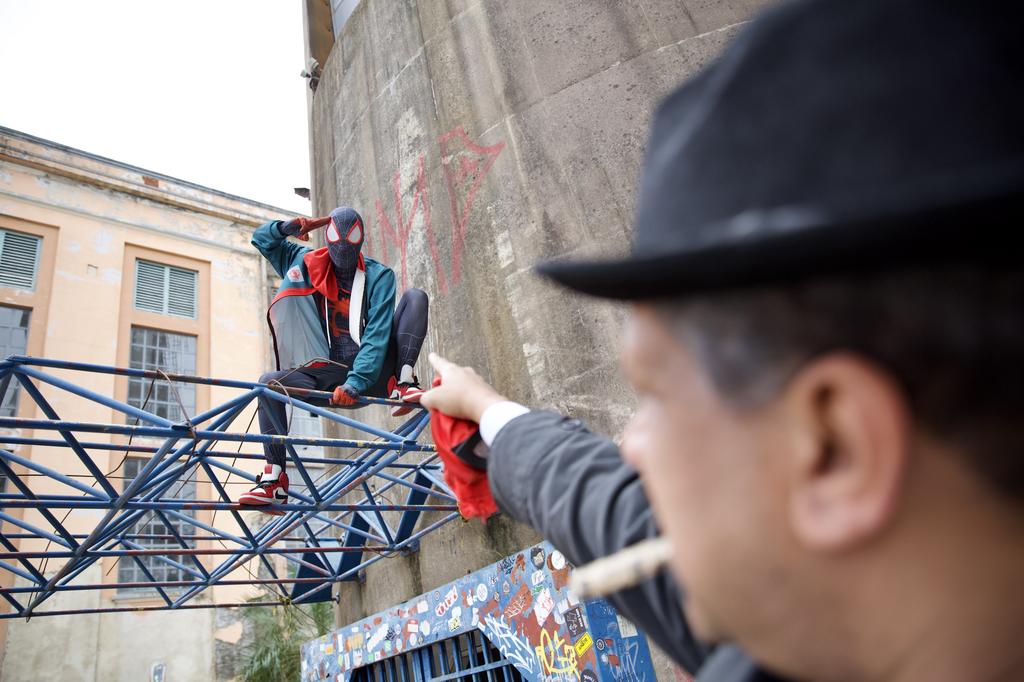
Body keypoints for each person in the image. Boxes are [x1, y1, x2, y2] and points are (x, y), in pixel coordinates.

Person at [421, 0, 1024, 680]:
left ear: (835, 447)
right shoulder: (812, 607)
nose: (631, 448)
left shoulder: (791, 625)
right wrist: (489, 411)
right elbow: (604, 507)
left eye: (656, 394)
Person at [239, 206, 428, 507]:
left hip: (374, 374)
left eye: (349, 253)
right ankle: (274, 480)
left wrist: (356, 382)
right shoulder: (303, 262)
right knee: (269, 384)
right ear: (326, 241)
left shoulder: (379, 277)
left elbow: (376, 336)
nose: (342, 261)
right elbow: (262, 240)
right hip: (327, 376)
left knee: (415, 298)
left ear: (360, 244)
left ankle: (404, 383)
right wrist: (291, 226)